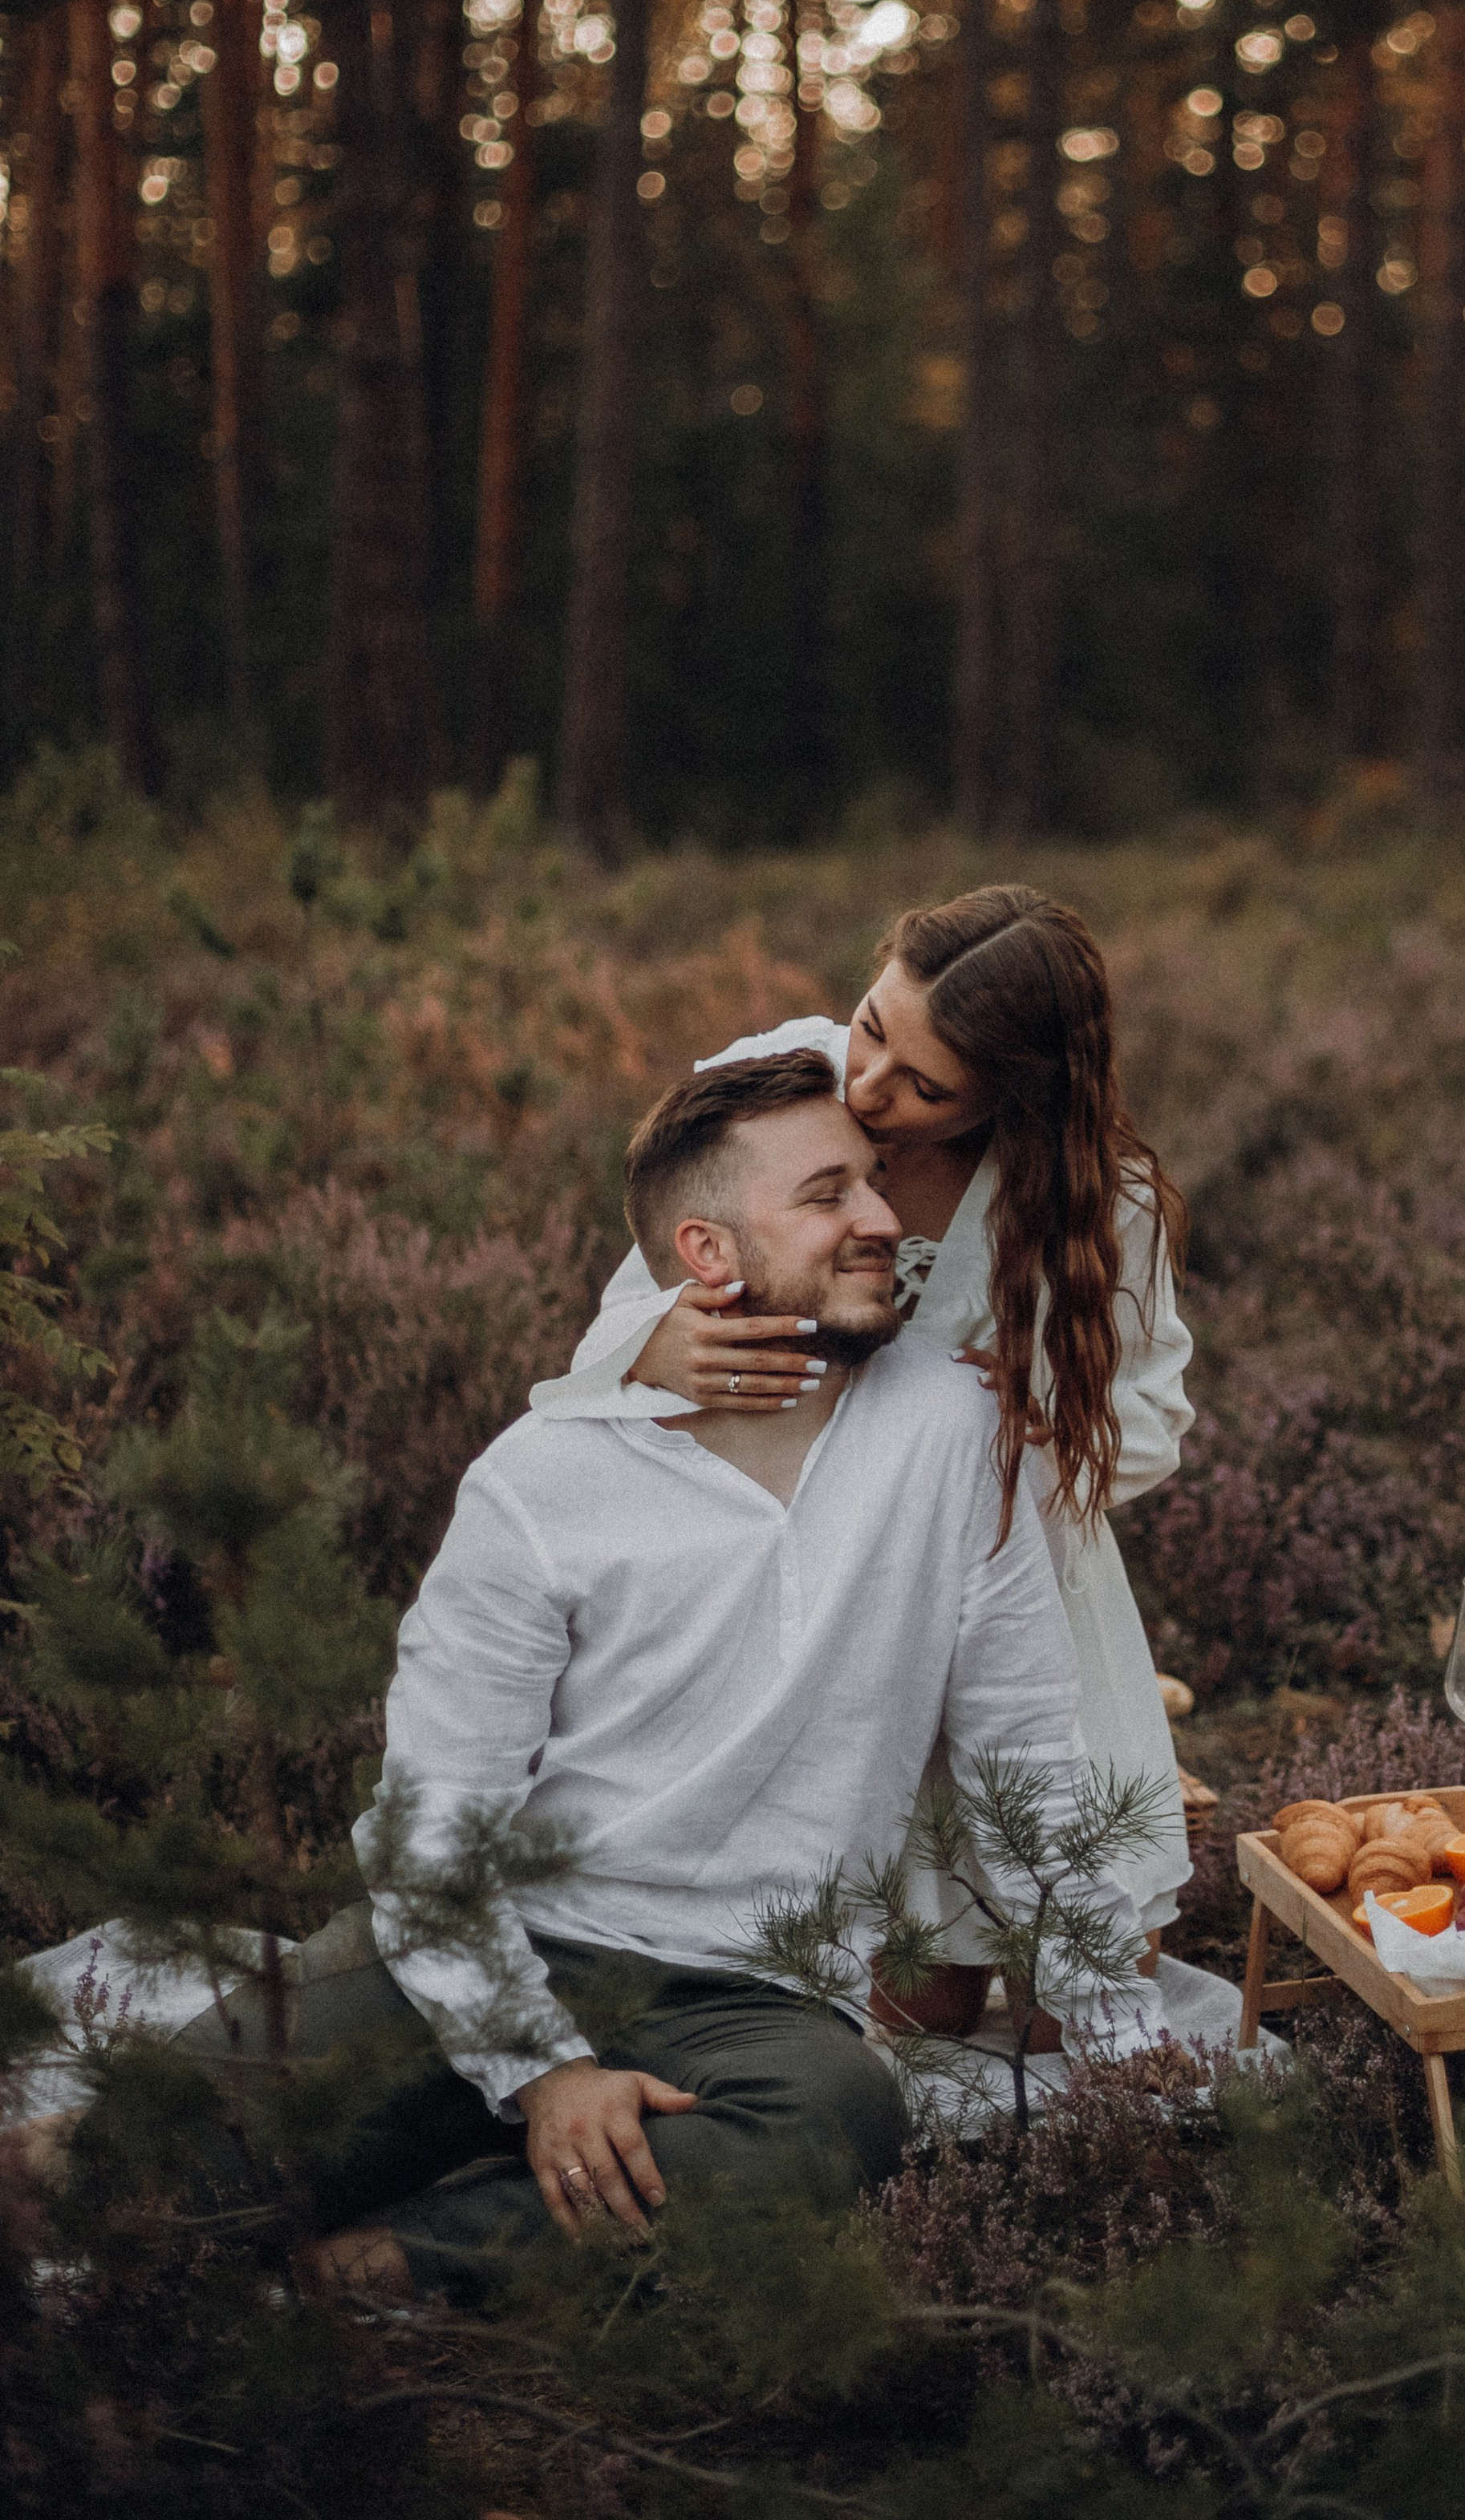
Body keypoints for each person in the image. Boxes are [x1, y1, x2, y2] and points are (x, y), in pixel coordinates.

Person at [135, 1053, 1155, 2299]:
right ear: (707, 1252)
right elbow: (432, 1826)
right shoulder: (541, 1479)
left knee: (839, 2120)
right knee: (147, 2160)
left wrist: (1126, 2053)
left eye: (874, 1185)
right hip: (493, 1935)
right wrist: (546, 2067)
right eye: (830, 1195)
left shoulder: (952, 1435)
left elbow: (1027, 1765)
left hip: (755, 1991)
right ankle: (498, 2150)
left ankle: (396, 2264)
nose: (886, 1221)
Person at [531, 885, 1195, 1963]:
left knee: (1092, 1980)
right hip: (801, 1590)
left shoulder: (1094, 1197)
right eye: (872, 1024)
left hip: (1005, 1600)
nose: (869, 1086)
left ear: (1012, 1096)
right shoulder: (791, 1086)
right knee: (891, 2000)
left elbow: (1150, 1414)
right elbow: (629, 1305)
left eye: (925, 1084)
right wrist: (658, 1346)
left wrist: (1026, 1433)